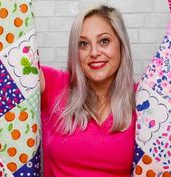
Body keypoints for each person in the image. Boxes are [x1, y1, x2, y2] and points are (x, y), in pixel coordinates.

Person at [40, 4, 136, 177]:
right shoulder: (54, 84)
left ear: (121, 45)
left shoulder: (143, 99)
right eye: (83, 44)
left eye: (104, 41)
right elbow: (9, 64)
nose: (94, 52)